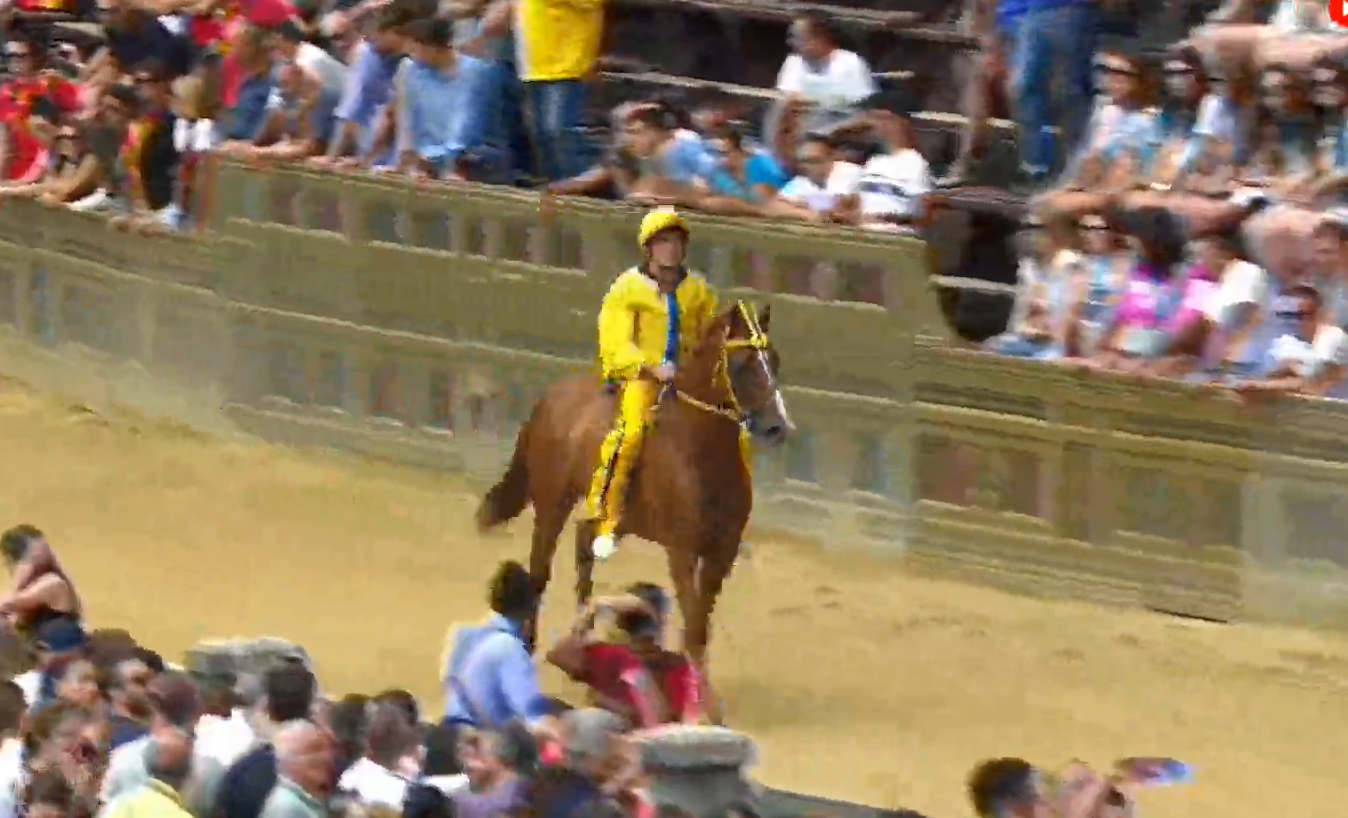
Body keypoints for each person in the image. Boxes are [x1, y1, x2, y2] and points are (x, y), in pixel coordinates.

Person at [586, 208, 720, 561]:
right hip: (643, 378)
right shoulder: (627, 288)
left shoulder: (699, 290)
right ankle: (606, 519)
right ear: (648, 248)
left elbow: (709, 337)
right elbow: (615, 341)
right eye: (663, 242)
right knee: (630, 436)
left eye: (676, 241)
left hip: (688, 379)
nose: (671, 249)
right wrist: (650, 367)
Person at [545, 583, 701, 728]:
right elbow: (558, 656)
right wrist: (592, 611)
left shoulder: (673, 665)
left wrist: (589, 615)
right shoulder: (612, 656)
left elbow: (668, 722)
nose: (644, 644)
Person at [441, 561, 554, 732]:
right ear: (530, 608)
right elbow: (530, 713)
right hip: (480, 739)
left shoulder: (461, 635)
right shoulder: (510, 649)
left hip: (450, 730)